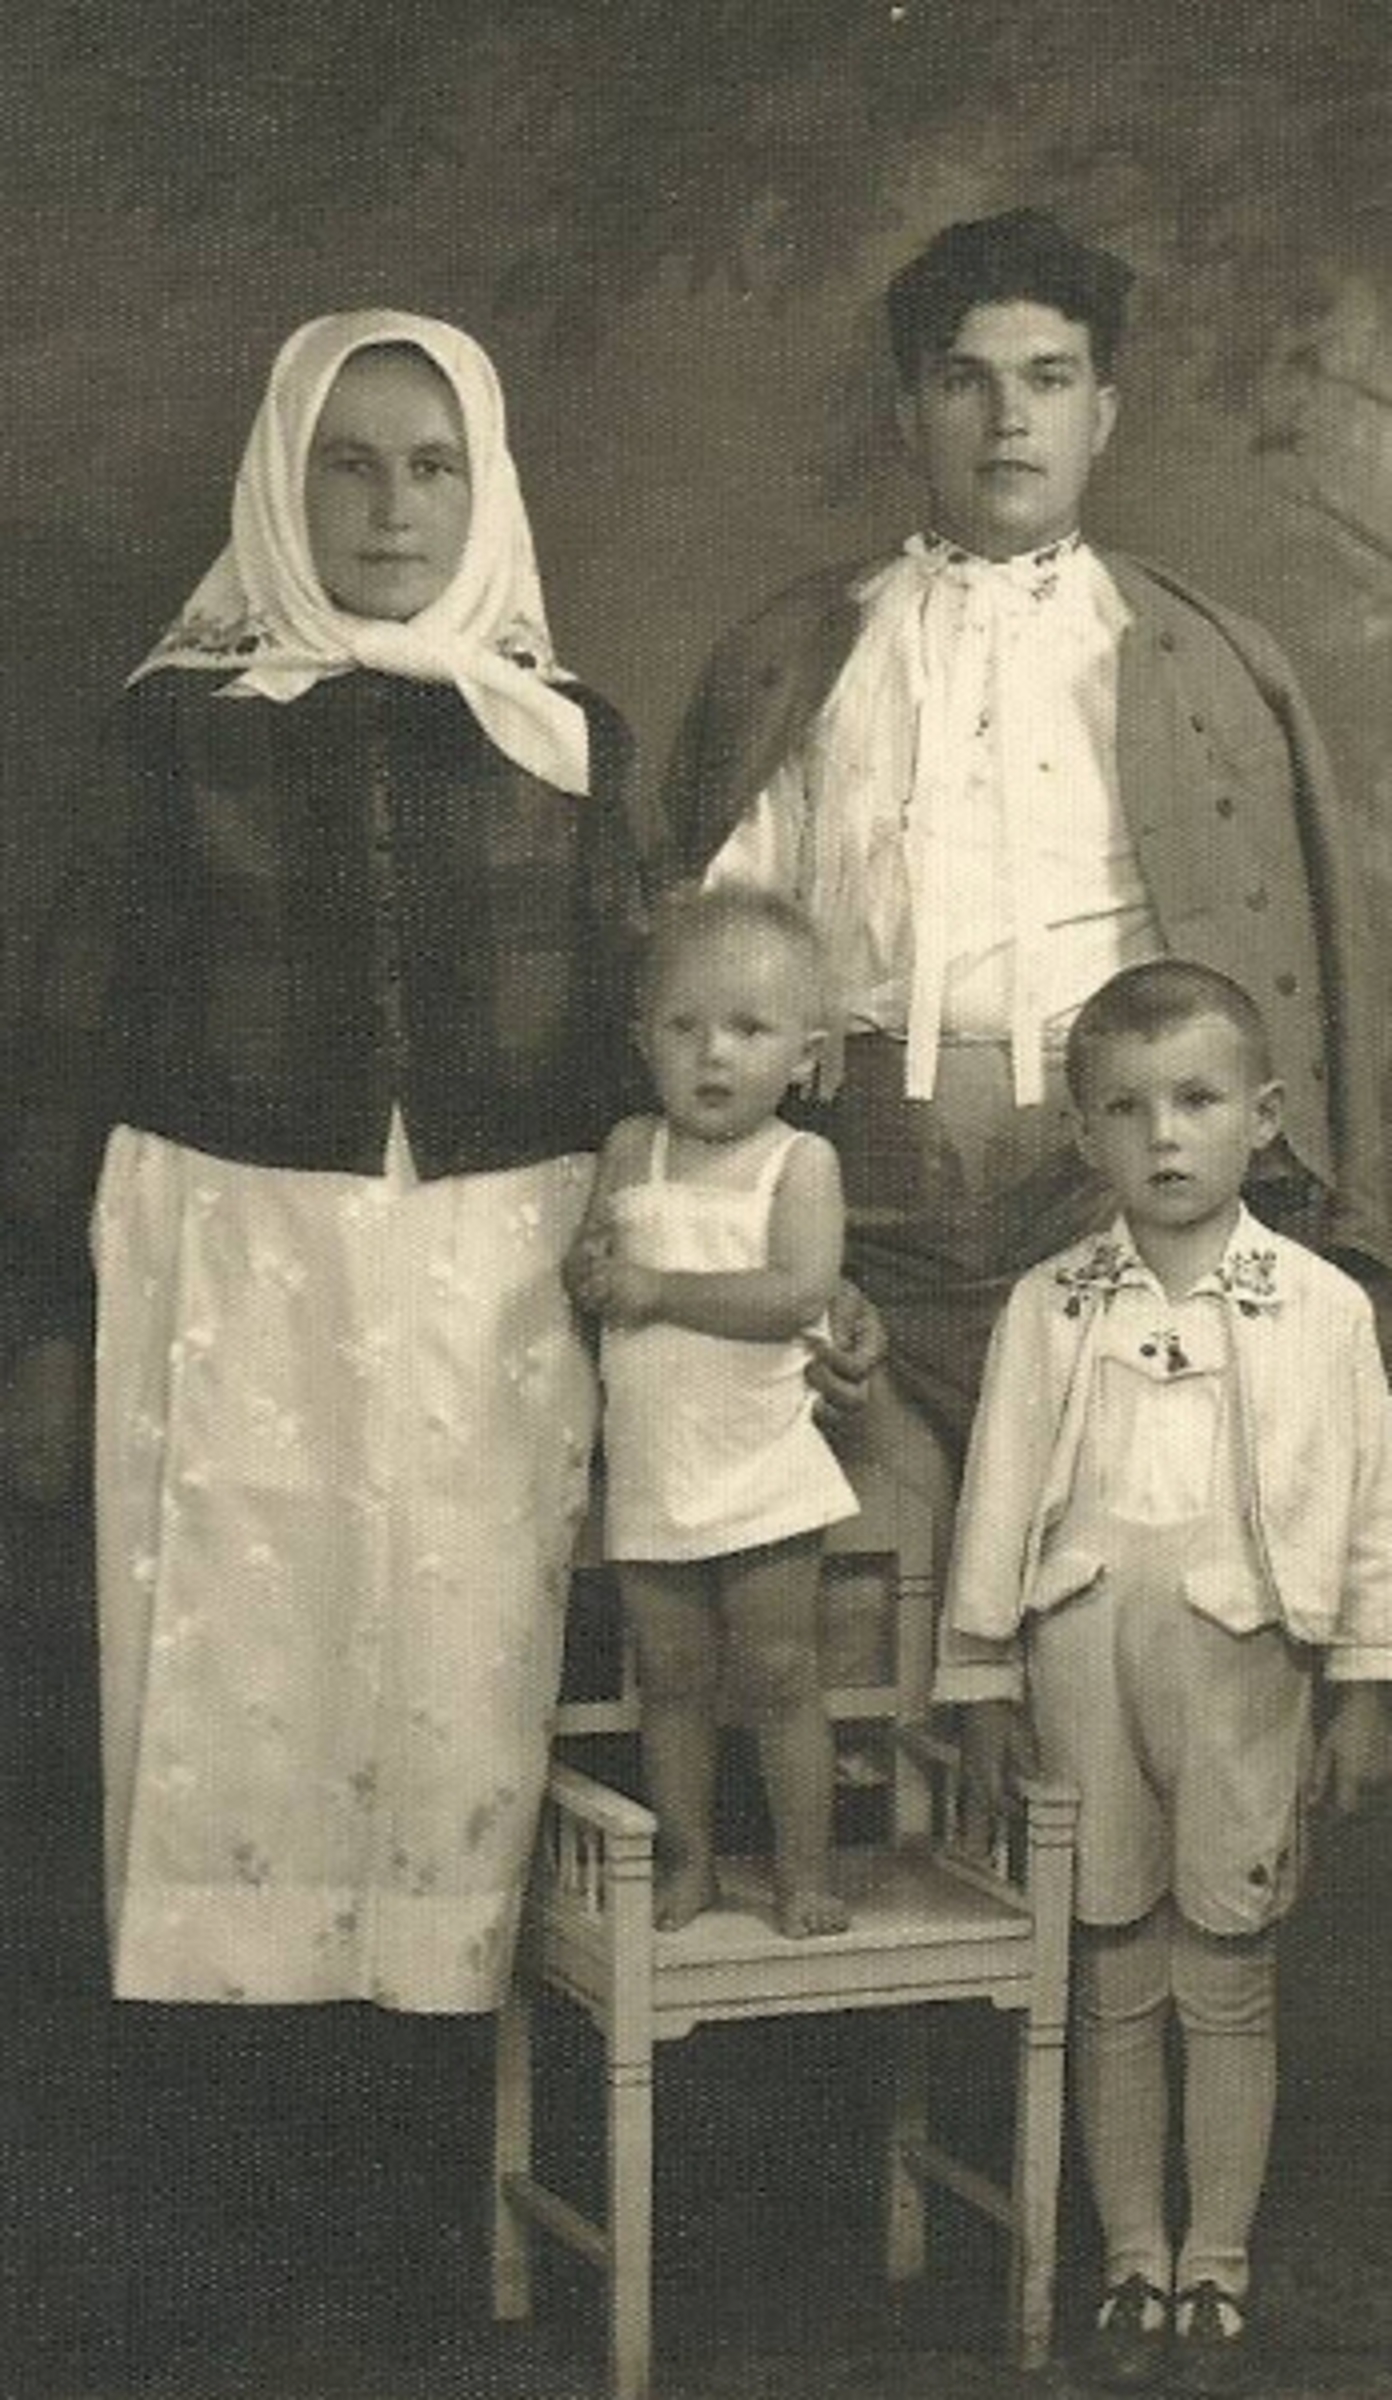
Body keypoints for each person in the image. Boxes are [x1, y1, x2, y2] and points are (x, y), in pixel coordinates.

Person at [0, 310, 644, 2340]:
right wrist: (41, 1324)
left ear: (486, 492)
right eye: (347, 465)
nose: (388, 508)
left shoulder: (569, 741)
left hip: (492, 1279)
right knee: (239, 1700)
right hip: (231, 1267)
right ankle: (228, 2227)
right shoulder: (174, 734)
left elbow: (638, 1039)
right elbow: (70, 1034)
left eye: (431, 467)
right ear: (285, 485)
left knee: (454, 1699)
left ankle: (418, 2223)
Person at [660, 207, 1390, 1509]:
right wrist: (771, 1231)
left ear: (1101, 414)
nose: (1009, 421)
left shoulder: (1201, 665)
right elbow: (714, 964)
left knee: (1124, 1560)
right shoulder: (807, 656)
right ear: (909, 414)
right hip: (855, 1212)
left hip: (1113, 1197)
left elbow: (1293, 976)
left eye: (1048, 381)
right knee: (862, 1566)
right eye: (966, 382)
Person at [934, 959, 1392, 2396]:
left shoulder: (1323, 1308)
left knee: (1229, 1966)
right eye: (1127, 1109)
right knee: (1114, 1960)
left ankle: (1219, 2258)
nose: (1166, 1136)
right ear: (1085, 1134)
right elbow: (998, 1492)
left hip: (1243, 1663)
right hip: (1081, 1656)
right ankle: (1133, 2253)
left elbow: (1371, 1508)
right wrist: (982, 1677)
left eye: (1197, 1101)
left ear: (1265, 1114)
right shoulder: (1051, 1306)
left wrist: (1365, 1684)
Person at [566, 883, 857, 1937]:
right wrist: (590, 1271)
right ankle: (689, 1866)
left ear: (806, 1056)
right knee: (672, 1680)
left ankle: (805, 1873)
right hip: (656, 1468)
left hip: (760, 1466)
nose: (713, 1053)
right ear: (642, 1037)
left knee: (779, 1674)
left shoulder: (799, 1163)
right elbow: (591, 1265)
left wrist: (652, 1291)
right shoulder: (629, 1148)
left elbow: (796, 1294)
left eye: (748, 1028)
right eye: (683, 1026)